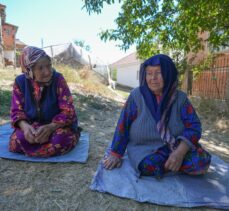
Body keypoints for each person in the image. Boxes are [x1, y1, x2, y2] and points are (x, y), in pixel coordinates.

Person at [103, 54, 211, 179]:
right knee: (147, 165)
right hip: (146, 149)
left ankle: (173, 163)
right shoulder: (136, 96)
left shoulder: (180, 98)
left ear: (168, 74)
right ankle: (172, 166)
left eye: (158, 73)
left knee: (201, 162)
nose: (153, 78)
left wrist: (180, 153)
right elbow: (123, 125)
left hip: (176, 146)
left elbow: (194, 127)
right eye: (149, 73)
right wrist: (116, 153)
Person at [9, 46, 80, 157]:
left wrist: (51, 127)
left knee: (60, 140)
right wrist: (25, 127)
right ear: (29, 70)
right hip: (33, 127)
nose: (47, 72)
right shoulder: (20, 82)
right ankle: (39, 145)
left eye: (49, 66)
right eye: (40, 68)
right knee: (16, 141)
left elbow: (68, 111)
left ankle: (35, 148)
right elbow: (16, 111)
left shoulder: (58, 79)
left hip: (57, 126)